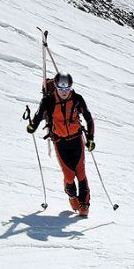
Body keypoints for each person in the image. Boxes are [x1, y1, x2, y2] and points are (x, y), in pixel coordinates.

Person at [26, 72, 96, 217]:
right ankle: (71, 195)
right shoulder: (48, 101)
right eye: (60, 89)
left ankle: (84, 205)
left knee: (80, 172)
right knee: (69, 175)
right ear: (56, 88)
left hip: (77, 139)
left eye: (67, 89)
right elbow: (39, 115)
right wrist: (33, 126)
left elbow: (89, 119)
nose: (64, 92)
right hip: (60, 141)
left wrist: (90, 138)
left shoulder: (77, 99)